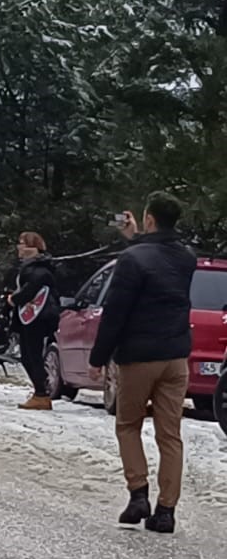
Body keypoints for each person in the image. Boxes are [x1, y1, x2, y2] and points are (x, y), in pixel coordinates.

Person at [89, 191, 195, 534]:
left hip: (138, 357)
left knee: (128, 425)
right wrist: (136, 237)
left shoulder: (132, 260)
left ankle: (138, 494)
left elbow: (116, 312)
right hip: (176, 357)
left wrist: (99, 357)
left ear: (149, 219)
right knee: (170, 435)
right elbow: (158, 258)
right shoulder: (186, 258)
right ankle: (166, 511)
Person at [6, 232, 59, 411]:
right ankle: (40, 391)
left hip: (36, 318)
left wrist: (14, 298)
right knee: (27, 356)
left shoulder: (40, 270)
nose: (18, 247)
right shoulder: (34, 267)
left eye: (21, 243)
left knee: (32, 356)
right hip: (30, 317)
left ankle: (41, 394)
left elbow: (30, 290)